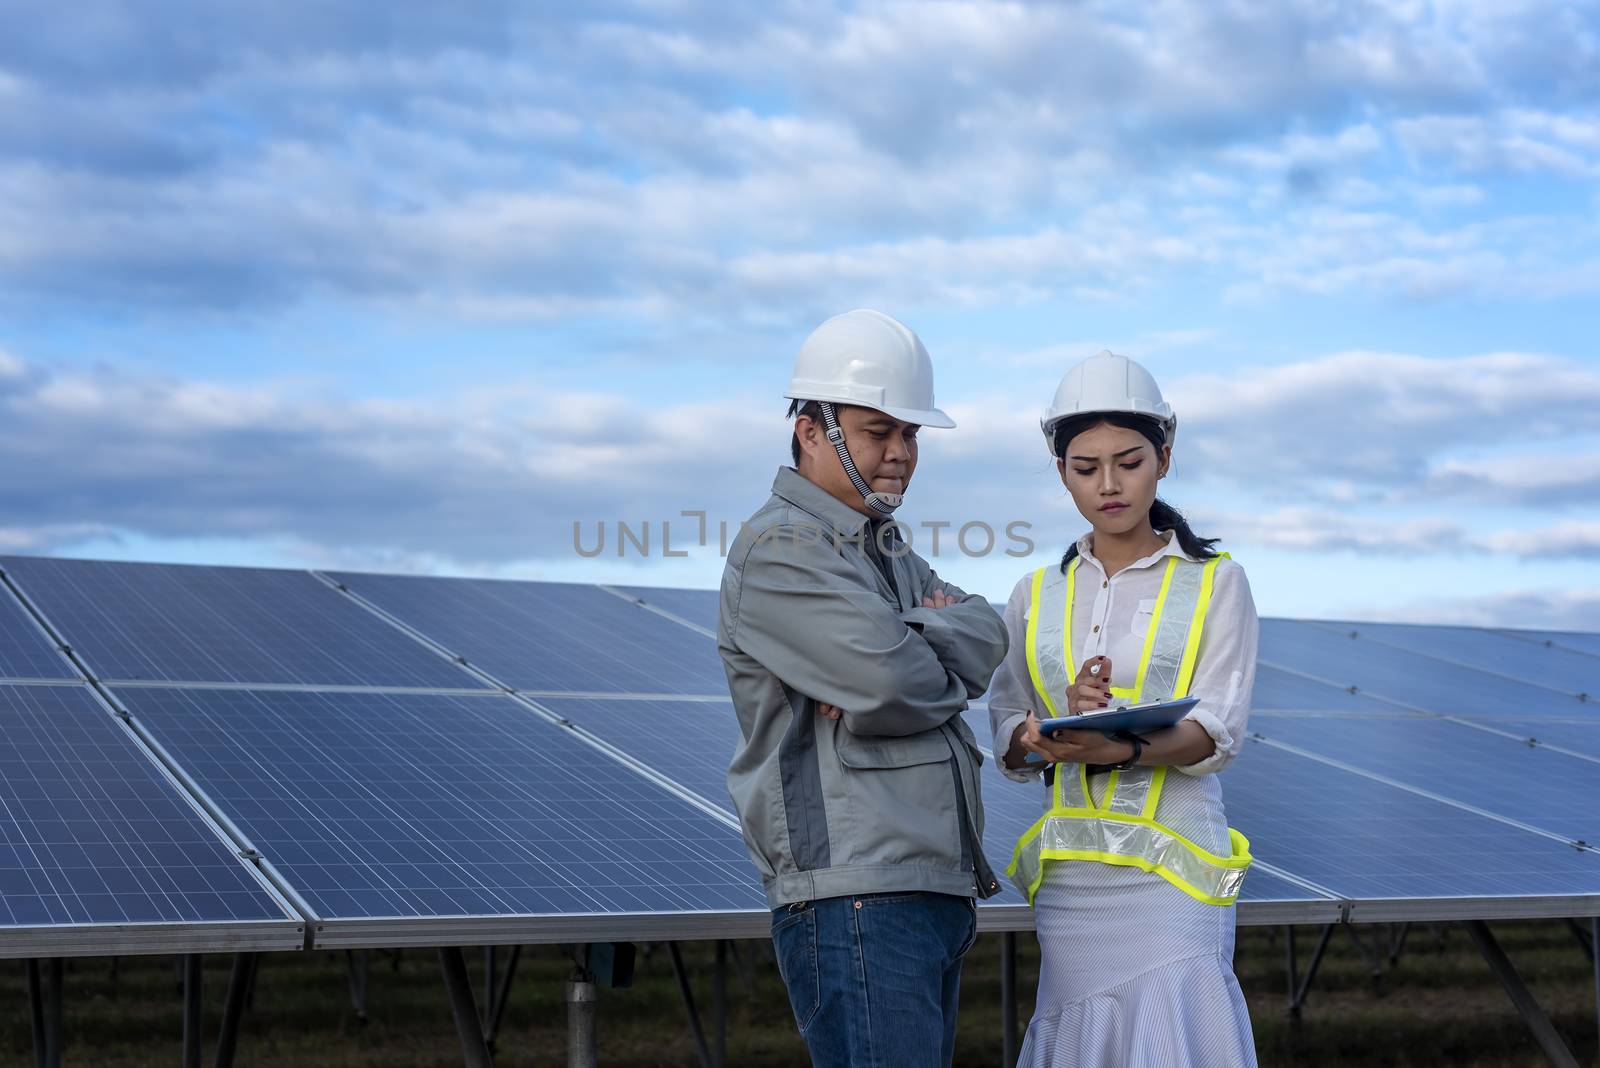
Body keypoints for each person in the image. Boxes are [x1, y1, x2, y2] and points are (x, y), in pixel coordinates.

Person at [718, 309, 1010, 1067]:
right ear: (812, 430)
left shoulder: (883, 550)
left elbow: (989, 634)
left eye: (911, 435)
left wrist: (914, 641)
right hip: (857, 899)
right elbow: (889, 678)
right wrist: (921, 654)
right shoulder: (781, 550)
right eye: (881, 431)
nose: (903, 454)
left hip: (920, 888)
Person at [989, 350, 1259, 1066]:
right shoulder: (1033, 594)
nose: (1108, 484)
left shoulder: (1217, 582)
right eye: (1085, 468)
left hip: (1175, 881)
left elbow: (1219, 732)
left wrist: (1127, 748)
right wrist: (1045, 731)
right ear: (1061, 472)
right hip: (1073, 880)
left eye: (1129, 461)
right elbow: (1007, 733)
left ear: (1164, 457)